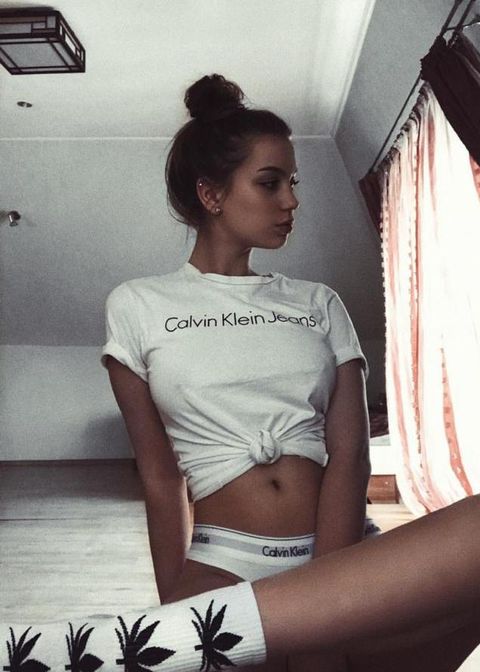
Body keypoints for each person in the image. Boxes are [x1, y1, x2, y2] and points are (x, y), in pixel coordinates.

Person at [92, 73, 478, 672]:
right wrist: (175, 606)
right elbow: (160, 476)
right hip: (225, 560)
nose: (291, 201)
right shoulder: (138, 305)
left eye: (292, 183)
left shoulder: (318, 302)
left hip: (346, 554)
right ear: (211, 194)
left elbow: (350, 454)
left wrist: (328, 592)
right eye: (270, 182)